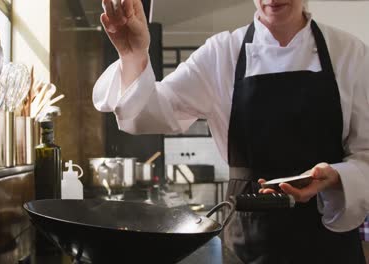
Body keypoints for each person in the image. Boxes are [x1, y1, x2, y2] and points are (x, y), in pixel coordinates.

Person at [93, 0, 369, 263]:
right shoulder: (221, 53)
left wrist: (336, 177)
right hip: (249, 236)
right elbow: (147, 114)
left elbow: (366, 154)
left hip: (329, 236)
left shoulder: (348, 52)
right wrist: (133, 54)